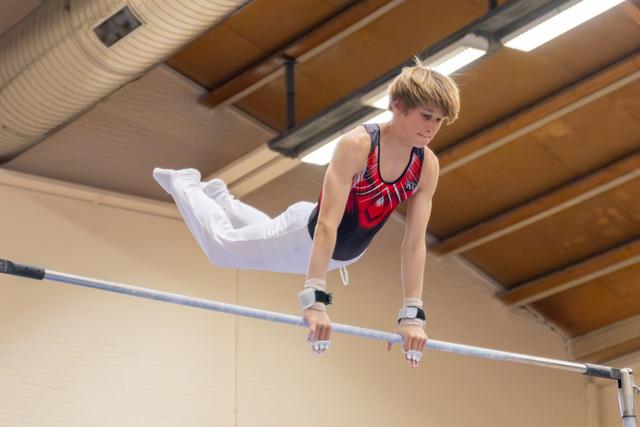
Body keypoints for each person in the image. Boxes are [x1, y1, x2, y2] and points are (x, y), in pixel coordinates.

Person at [153, 59, 460, 368]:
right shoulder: (358, 145)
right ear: (397, 105)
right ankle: (184, 184)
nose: (432, 127)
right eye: (426, 116)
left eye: (439, 120)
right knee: (222, 249)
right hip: (306, 237)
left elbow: (414, 243)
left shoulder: (427, 166)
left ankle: (221, 198)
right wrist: (315, 299)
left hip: (341, 254)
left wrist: (412, 314)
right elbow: (328, 224)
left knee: (266, 236)